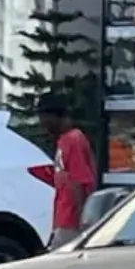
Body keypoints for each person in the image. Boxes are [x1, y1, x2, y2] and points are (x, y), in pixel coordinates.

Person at [38, 92, 97, 250]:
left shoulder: (73, 140)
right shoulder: (64, 141)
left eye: (44, 117)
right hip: (64, 221)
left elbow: (80, 182)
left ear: (56, 116)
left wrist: (82, 224)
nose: (41, 123)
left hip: (71, 224)